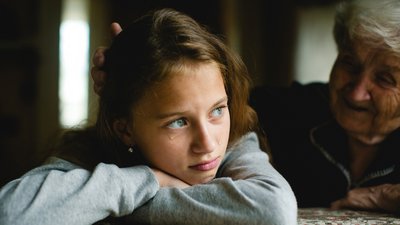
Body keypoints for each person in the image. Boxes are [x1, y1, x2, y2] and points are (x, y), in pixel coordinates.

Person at [0, 8, 297, 225]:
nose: (207, 143)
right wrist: (148, 179)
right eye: (178, 122)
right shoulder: (93, 154)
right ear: (125, 129)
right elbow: (11, 213)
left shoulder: (233, 142)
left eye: (217, 110)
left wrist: (104, 210)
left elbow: (272, 209)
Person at [251, 0, 400, 213]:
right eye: (349, 63)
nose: (357, 93)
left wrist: (384, 196)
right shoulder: (279, 110)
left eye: (385, 79)